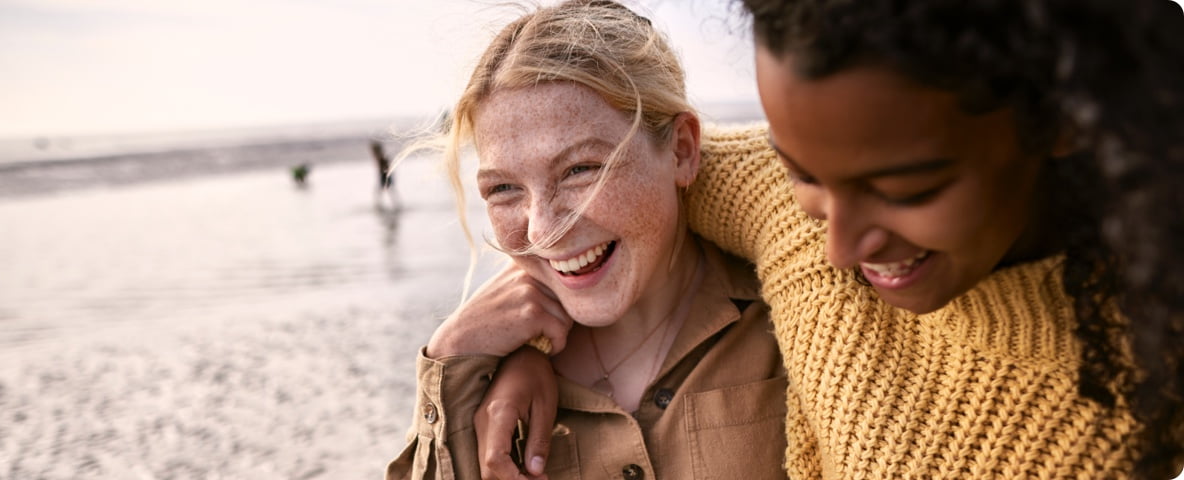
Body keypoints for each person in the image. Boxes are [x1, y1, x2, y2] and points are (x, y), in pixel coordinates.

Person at [477, 0, 1184, 478]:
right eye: (802, 172)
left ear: (1064, 120)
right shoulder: (783, 211)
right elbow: (615, 197)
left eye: (906, 190)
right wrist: (529, 341)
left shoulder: (1153, 344)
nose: (839, 248)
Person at [386, 1, 787, 479]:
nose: (540, 230)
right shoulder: (477, 377)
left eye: (580, 169)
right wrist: (452, 351)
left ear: (681, 150)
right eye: (504, 189)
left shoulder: (791, 323)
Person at [372, 139, 401, 209]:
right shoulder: (380, 157)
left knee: (387, 191)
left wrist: (385, 173)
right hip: (384, 176)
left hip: (385, 176)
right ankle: (381, 205)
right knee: (386, 191)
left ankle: (394, 205)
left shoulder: (382, 157)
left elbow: (387, 167)